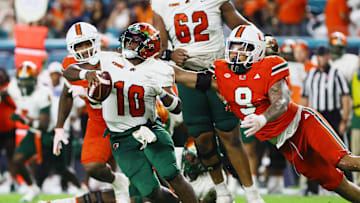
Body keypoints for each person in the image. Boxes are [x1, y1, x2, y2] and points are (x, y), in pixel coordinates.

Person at [172, 24, 360, 202]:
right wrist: (158, 63)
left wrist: (263, 118)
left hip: (301, 124)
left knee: (344, 161)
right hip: (285, 144)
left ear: (256, 50)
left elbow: (282, 101)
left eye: (243, 48)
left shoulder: (269, 66)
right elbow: (183, 76)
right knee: (337, 184)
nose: (236, 53)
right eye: (233, 47)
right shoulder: (222, 73)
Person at [63, 22, 198, 203]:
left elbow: (177, 106)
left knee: (172, 175)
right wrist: (85, 75)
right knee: (150, 191)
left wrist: (161, 92)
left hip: (149, 129)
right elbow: (69, 71)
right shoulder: (107, 59)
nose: (129, 45)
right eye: (128, 41)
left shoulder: (158, 69)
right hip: (121, 137)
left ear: (147, 46)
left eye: (134, 43)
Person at [152, 1, 263, 202]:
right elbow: (157, 48)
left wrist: (262, 40)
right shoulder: (161, 4)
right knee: (202, 139)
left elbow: (242, 27)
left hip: (218, 71)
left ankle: (252, 193)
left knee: (230, 135)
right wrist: (169, 54)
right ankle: (221, 191)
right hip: (187, 76)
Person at [53, 22, 130, 203]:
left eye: (87, 43)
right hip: (99, 121)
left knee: (148, 170)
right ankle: (119, 182)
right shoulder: (70, 65)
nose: (84, 49)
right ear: (71, 48)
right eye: (79, 46)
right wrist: (59, 127)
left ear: (96, 41)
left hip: (126, 118)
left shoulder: (114, 59)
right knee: (92, 166)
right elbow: (66, 92)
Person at [9, 61, 84, 202]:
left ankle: (82, 188)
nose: (24, 85)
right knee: (17, 160)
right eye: (22, 81)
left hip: (49, 133)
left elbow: (43, 125)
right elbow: (6, 92)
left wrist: (23, 120)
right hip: (34, 132)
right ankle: (33, 188)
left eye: (27, 81)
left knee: (60, 168)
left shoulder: (43, 93)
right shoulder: (14, 87)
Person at [0, 67, 17, 191]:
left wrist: (6, 97)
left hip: (10, 127)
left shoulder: (11, 87)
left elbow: (18, 104)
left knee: (12, 155)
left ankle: (12, 180)